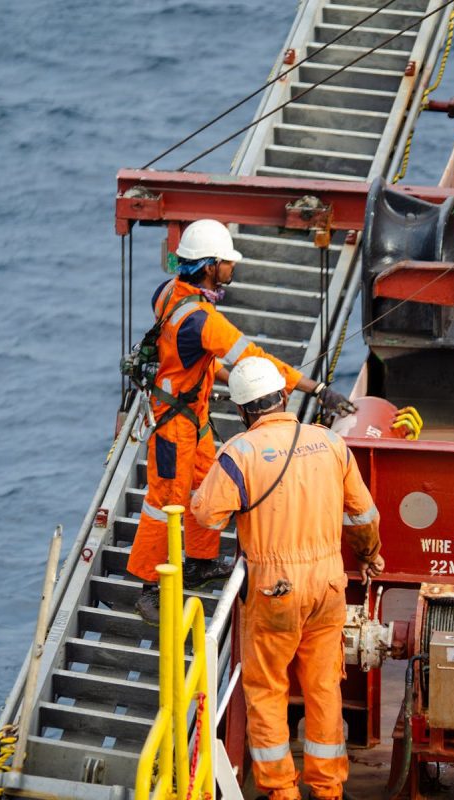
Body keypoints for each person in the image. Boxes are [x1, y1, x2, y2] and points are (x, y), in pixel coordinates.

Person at [124, 219, 356, 625]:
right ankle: (148, 588)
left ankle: (198, 561)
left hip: (188, 413)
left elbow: (189, 353)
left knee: (204, 483)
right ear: (211, 266)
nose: (233, 268)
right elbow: (255, 360)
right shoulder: (204, 321)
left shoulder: (169, 293)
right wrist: (316, 389)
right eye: (228, 262)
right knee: (164, 503)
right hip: (174, 423)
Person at [191, 357, 384, 800]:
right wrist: (370, 556)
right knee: (323, 686)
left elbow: (205, 515)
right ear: (283, 397)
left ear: (242, 410)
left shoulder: (239, 453)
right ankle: (328, 788)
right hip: (328, 584)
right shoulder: (330, 443)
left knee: (266, 689)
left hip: (273, 587)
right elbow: (362, 514)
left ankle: (280, 791)